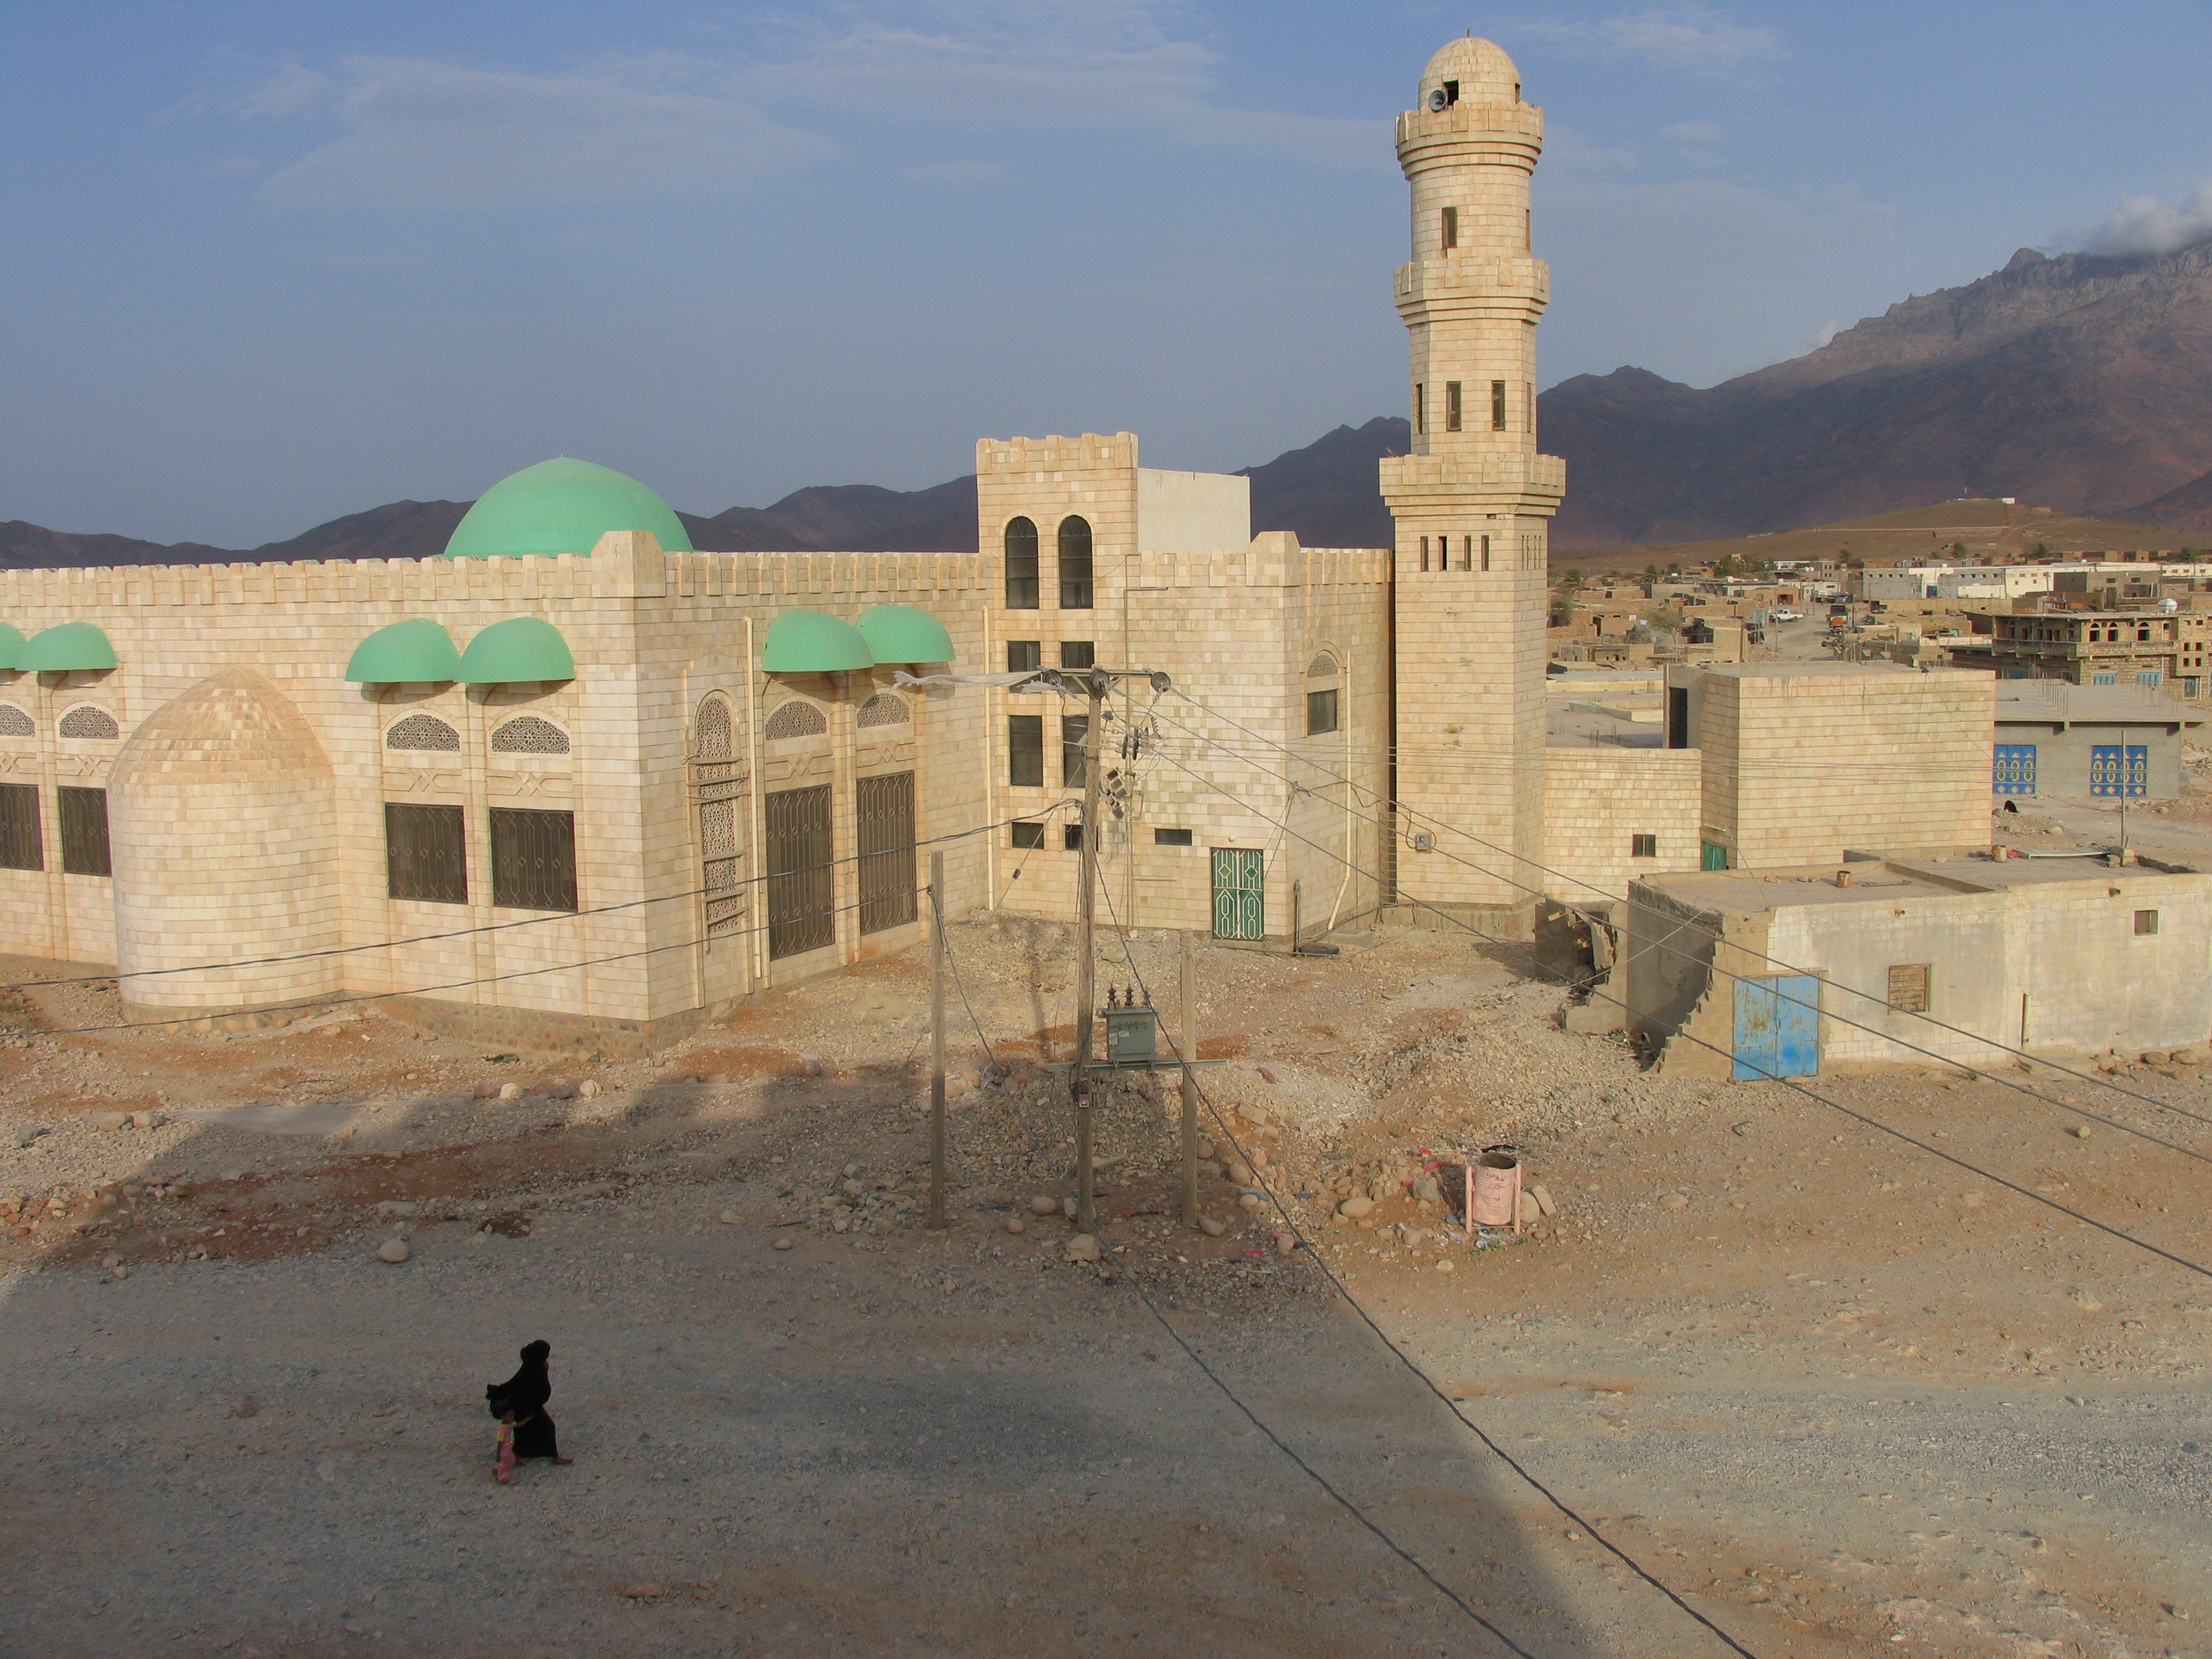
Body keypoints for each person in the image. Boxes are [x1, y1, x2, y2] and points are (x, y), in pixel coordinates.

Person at [485, 1340, 572, 1471]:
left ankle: (520, 1454)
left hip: (532, 1404)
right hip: (527, 1405)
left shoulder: (535, 1364)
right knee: (545, 1426)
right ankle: (551, 1457)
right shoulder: (530, 1367)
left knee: (528, 1429)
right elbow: (515, 1385)